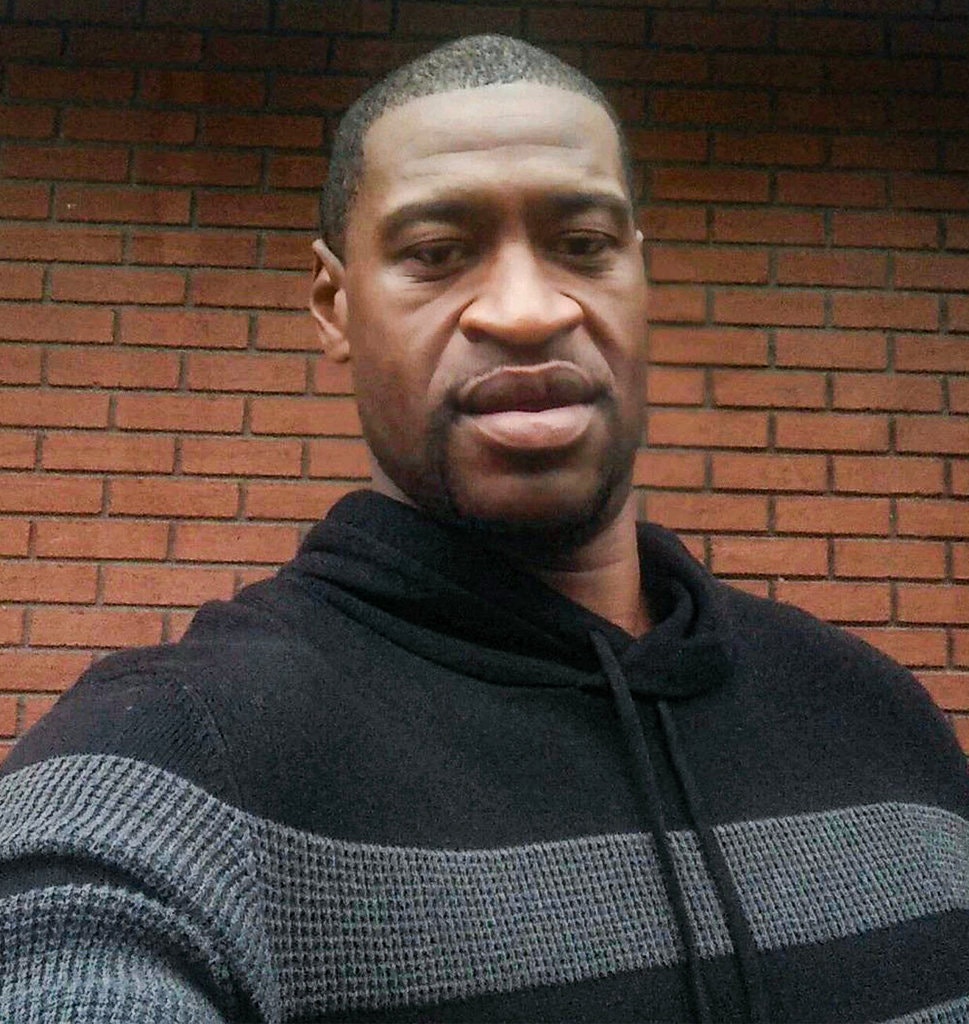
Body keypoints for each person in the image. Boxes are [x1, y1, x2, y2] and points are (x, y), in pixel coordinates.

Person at [1, 34, 967, 1024]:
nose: (526, 311)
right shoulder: (169, 770)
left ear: (640, 274)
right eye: (436, 253)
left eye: (582, 244)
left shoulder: (881, 719)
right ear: (335, 304)